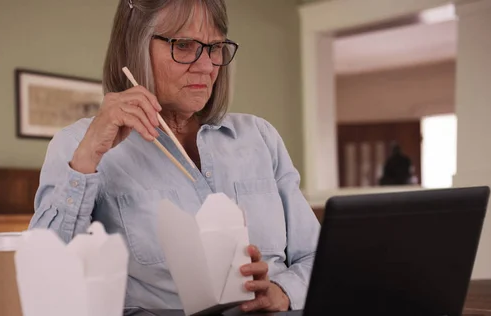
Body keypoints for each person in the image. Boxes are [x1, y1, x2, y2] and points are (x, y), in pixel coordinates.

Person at [29, 0, 320, 312]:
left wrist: (281, 290)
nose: (207, 66)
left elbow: (317, 256)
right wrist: (88, 158)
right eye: (183, 45)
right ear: (134, 47)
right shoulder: (78, 145)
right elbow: (45, 280)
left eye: (216, 47)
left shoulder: (260, 137)